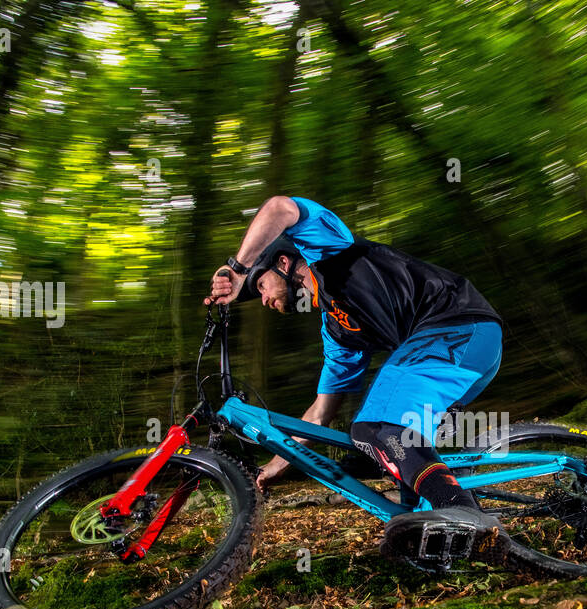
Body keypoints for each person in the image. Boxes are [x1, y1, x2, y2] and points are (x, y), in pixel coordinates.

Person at [204, 195, 504, 562]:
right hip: (461, 355)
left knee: (380, 426)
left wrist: (237, 268)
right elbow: (320, 413)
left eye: (260, 286)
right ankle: (426, 526)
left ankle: (466, 513)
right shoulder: (338, 331)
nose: (261, 299)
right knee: (370, 441)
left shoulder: (333, 253)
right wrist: (272, 468)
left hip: (458, 328)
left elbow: (280, 208)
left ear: (282, 262)